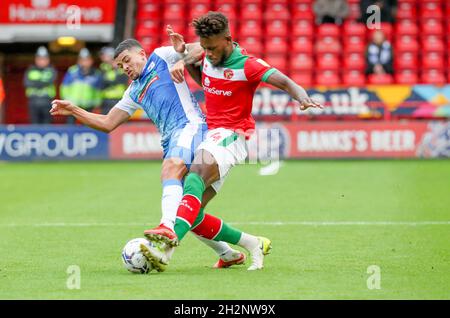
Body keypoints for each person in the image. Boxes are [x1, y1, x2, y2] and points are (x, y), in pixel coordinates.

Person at [142, 13, 324, 271]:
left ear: (228, 39)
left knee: (195, 175)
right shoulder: (206, 55)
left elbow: (284, 81)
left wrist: (302, 97)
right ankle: (252, 244)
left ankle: (164, 250)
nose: (208, 53)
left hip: (231, 135)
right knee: (191, 211)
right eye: (204, 48)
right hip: (211, 134)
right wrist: (184, 54)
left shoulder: (247, 64)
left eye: (213, 48)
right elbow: (205, 81)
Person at [50, 38, 248, 271]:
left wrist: (182, 59)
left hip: (190, 127)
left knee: (170, 170)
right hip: (172, 139)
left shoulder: (162, 56)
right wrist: (74, 110)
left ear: (141, 54)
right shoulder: (133, 91)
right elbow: (107, 123)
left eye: (127, 61)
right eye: (120, 66)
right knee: (189, 212)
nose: (125, 68)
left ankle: (165, 226)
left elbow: (200, 47)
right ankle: (228, 253)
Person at [60, 48, 103, 124]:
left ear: (91, 61)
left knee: (88, 127)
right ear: (78, 61)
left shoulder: (96, 73)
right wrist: (66, 100)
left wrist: (97, 104)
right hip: (72, 105)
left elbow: (98, 90)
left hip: (89, 105)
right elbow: (64, 87)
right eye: (82, 60)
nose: (85, 62)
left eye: (87, 60)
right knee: (70, 126)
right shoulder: (72, 71)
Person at [23, 46, 57, 124]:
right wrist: (43, 82)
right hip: (33, 102)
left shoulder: (51, 70)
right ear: (36, 59)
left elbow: (51, 81)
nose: (42, 61)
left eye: (44, 59)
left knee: (47, 125)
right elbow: (26, 83)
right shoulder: (30, 70)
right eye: (40, 59)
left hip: (48, 102)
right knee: (34, 125)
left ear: (48, 59)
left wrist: (35, 83)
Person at [99, 46, 129, 115]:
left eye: (104, 55)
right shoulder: (103, 67)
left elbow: (123, 80)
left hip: (118, 98)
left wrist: (116, 69)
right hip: (106, 98)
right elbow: (102, 82)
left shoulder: (121, 67)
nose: (102, 57)